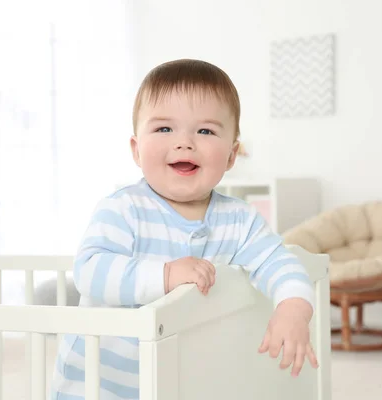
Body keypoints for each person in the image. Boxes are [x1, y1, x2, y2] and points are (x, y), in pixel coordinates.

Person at [50, 59, 318, 400]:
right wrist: (165, 275)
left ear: (232, 155)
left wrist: (293, 307)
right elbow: (89, 271)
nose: (185, 143)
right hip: (100, 383)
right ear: (136, 149)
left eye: (205, 131)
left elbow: (278, 261)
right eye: (164, 129)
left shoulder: (238, 220)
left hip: (183, 379)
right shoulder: (124, 208)